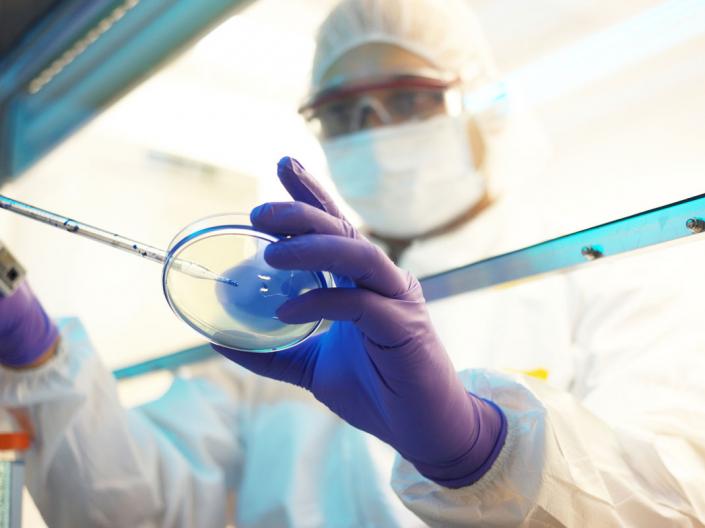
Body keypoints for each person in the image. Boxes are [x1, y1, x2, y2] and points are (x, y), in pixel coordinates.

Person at [1, 0, 705, 527]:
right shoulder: (291, 301)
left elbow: (672, 498)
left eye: (405, 98)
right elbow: (141, 508)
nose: (372, 129)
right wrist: (38, 356)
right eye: (342, 113)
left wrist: (483, 451)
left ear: (478, 107)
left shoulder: (604, 272)